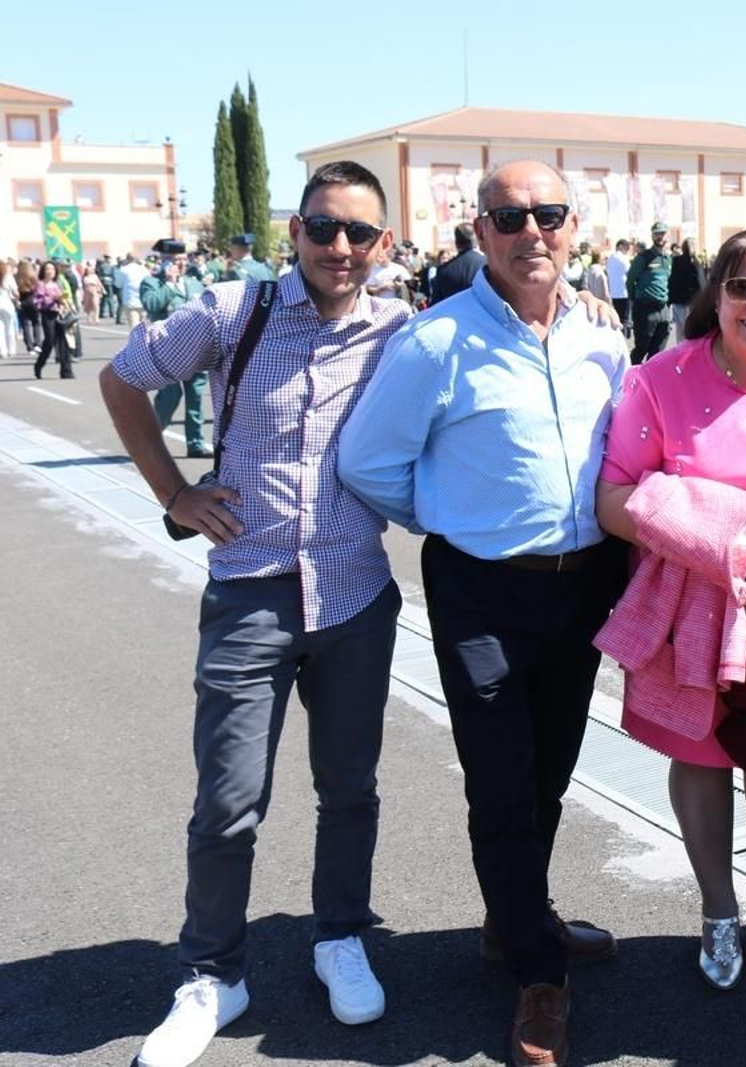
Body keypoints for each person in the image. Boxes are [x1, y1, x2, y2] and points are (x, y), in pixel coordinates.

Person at [99, 160, 411, 1067]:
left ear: (384, 244)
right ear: (296, 232)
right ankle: (212, 973)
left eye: (359, 232)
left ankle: (340, 935)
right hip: (250, 589)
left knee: (348, 787)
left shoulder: (401, 329)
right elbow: (122, 379)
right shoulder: (235, 310)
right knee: (229, 800)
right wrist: (174, 494)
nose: (340, 247)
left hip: (354, 593)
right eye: (324, 228)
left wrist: (586, 312)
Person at [337, 160, 625, 1067]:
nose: (531, 231)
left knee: (551, 771)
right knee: (501, 779)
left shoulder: (603, 335)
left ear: (573, 227)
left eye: (548, 214)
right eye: (509, 217)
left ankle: (517, 915)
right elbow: (367, 462)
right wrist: (453, 517)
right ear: (479, 232)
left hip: (583, 586)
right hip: (483, 592)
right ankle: (538, 974)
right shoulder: (434, 341)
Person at [595, 229, 746, 991]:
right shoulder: (659, 378)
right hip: (693, 604)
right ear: (716, 294)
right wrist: (715, 535)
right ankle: (715, 906)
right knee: (700, 758)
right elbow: (612, 500)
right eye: (741, 286)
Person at [143, 242, 212, 458]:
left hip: (196, 349)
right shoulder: (152, 283)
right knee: (169, 397)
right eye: (175, 260)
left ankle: (196, 444)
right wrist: (169, 284)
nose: (180, 264)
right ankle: (150, 441)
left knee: (196, 399)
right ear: (164, 261)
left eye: (183, 259)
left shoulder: (194, 283)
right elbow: (151, 305)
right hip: (168, 351)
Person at [627, 222, 673, 362]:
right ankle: (631, 373)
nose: (660, 237)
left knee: (658, 351)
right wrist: (634, 299)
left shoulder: (668, 259)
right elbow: (630, 280)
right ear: (652, 236)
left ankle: (651, 375)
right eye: (657, 234)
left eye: (662, 233)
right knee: (642, 348)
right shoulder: (643, 257)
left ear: (667, 236)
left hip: (663, 309)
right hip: (645, 308)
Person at [31, 261, 74, 379]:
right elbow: (37, 302)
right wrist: (51, 299)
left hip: (58, 314)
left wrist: (63, 301)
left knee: (63, 342)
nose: (50, 271)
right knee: (49, 341)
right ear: (43, 271)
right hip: (47, 314)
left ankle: (66, 371)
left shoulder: (55, 284)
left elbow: (61, 298)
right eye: (47, 269)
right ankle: (39, 365)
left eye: (52, 269)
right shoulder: (40, 285)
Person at [430, 222, 486, 304]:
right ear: (477, 240)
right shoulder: (489, 265)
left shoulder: (444, 270)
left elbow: (436, 305)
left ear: (456, 243)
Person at [667, 237, 704, 344]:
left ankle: (680, 349)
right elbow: (702, 282)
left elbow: (672, 280)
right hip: (693, 300)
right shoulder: (697, 262)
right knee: (691, 329)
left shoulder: (676, 260)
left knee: (680, 329)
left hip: (678, 299)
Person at [607, 238, 633, 338]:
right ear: (621, 246)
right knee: (625, 317)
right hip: (624, 291)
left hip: (614, 292)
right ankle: (624, 335)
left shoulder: (610, 258)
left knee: (618, 315)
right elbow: (630, 272)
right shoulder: (622, 258)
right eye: (627, 248)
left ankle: (619, 335)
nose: (627, 251)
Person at [116, 253, 150, 327]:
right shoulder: (144, 269)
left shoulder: (124, 269)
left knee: (134, 326)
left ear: (127, 259)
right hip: (143, 299)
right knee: (144, 326)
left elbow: (118, 284)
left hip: (130, 300)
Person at [0, 261, 18, 359]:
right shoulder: (9, 278)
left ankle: (3, 351)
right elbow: (16, 292)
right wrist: (17, 298)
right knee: (10, 327)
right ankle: (11, 349)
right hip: (7, 304)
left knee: (0, 329)